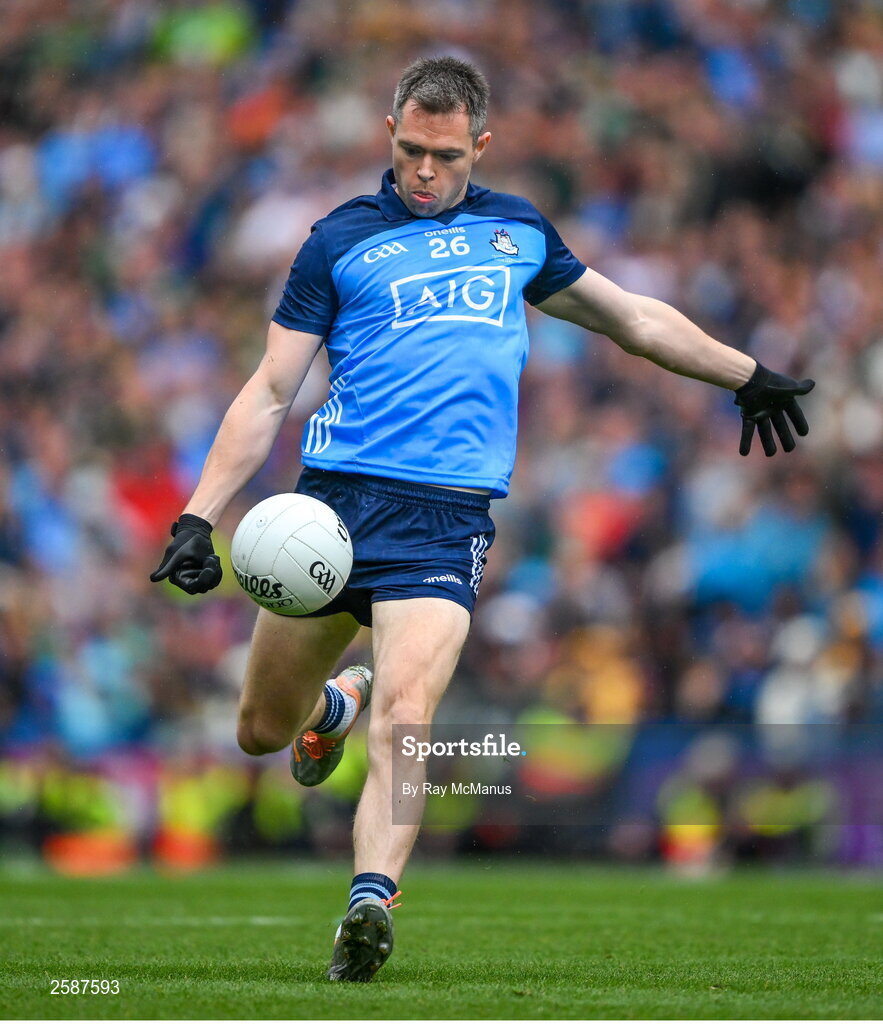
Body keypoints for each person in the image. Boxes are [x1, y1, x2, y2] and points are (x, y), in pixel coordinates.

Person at [150, 56, 814, 981]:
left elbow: (630, 318)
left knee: (411, 712)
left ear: (480, 147)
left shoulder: (516, 231)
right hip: (329, 514)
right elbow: (269, 390)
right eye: (411, 150)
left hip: (444, 519)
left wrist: (745, 374)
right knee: (262, 731)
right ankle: (338, 700)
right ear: (389, 132)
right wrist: (196, 517)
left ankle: (368, 902)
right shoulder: (337, 240)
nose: (424, 171)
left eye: (445, 156)